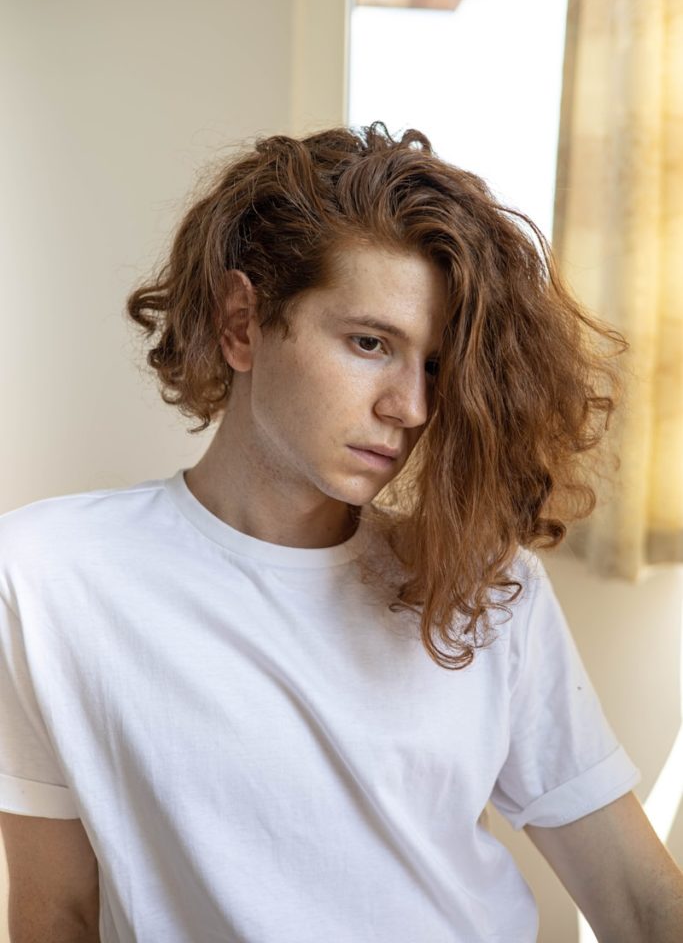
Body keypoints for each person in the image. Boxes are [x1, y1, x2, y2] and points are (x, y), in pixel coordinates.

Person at [0, 123, 681, 943]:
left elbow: (638, 903)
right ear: (242, 323)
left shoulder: (478, 580)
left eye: (432, 365)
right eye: (369, 344)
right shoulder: (46, 580)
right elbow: (56, 910)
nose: (411, 406)